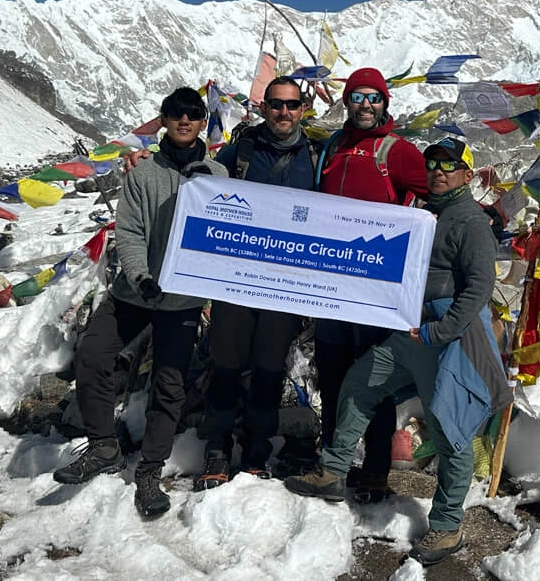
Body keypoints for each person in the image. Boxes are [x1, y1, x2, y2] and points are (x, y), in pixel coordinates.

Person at [286, 137, 510, 567]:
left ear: (467, 174)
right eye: (432, 166)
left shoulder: (469, 221)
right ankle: (333, 471)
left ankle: (447, 526)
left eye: (449, 166)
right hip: (409, 331)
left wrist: (441, 331)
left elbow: (480, 285)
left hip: (447, 339)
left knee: (450, 431)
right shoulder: (428, 213)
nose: (438, 172)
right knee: (359, 384)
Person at [53, 87, 226, 520]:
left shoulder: (219, 178)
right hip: (135, 292)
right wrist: (140, 276)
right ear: (163, 119)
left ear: (202, 121)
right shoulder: (141, 174)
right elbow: (128, 232)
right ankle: (103, 446)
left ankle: (150, 470)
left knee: (170, 385)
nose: (184, 120)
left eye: (193, 114)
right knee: (93, 353)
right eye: (176, 113)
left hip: (183, 300)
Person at [194, 76, 318, 489]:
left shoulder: (314, 156)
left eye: (292, 105)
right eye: (276, 105)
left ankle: (256, 451)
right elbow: (201, 183)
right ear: (263, 107)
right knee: (226, 366)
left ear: (303, 109)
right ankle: (216, 448)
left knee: (269, 369)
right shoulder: (241, 151)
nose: (284, 112)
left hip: (285, 283)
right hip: (236, 279)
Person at [312, 66, 428, 502]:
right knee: (333, 375)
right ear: (346, 102)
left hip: (376, 290)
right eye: (357, 97)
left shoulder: (396, 152)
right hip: (330, 286)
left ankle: (377, 470)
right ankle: (332, 465)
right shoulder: (333, 147)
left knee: (372, 381)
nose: (365, 105)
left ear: (385, 104)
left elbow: (434, 191)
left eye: (373, 97)